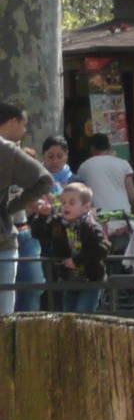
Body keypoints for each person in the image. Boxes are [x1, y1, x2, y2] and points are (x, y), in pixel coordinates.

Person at [0, 127, 53, 315]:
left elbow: (44, 180)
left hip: (6, 240)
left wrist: (11, 208)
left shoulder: (5, 150)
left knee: (5, 316)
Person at [44, 182, 110, 314]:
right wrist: (42, 215)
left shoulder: (91, 226)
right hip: (70, 279)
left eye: (71, 203)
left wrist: (77, 260)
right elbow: (41, 233)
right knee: (69, 314)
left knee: (83, 313)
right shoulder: (60, 224)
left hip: (90, 279)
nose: (66, 206)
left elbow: (102, 247)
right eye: (63, 203)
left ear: (86, 207)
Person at [73, 133, 134, 223]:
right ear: (109, 146)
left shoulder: (83, 167)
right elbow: (132, 195)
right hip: (122, 216)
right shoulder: (123, 164)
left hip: (98, 218)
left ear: (92, 148)